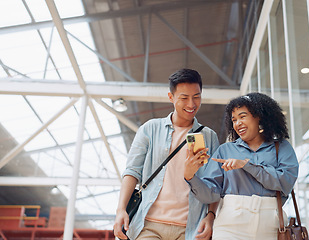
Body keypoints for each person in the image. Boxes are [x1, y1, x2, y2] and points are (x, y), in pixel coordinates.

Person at [113, 69, 220, 240]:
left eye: (197, 97)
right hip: (148, 225)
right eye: (184, 98)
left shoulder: (209, 136)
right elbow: (132, 171)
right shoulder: (150, 129)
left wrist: (211, 215)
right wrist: (121, 210)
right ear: (171, 97)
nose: (191, 104)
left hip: (190, 228)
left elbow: (215, 183)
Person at [184, 92, 299, 239]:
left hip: (272, 225)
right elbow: (210, 195)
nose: (237, 123)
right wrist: (190, 176)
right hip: (230, 224)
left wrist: (247, 165)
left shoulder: (281, 147)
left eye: (243, 117)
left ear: (259, 117)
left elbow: (286, 182)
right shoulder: (225, 150)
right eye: (234, 119)